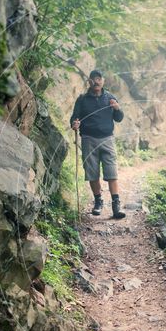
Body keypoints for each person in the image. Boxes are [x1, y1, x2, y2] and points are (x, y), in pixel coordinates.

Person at [70, 70, 126, 219]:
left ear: (103, 81)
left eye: (99, 78)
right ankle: (98, 202)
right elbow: (74, 118)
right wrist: (74, 124)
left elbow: (119, 118)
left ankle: (116, 205)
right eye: (93, 79)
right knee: (92, 172)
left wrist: (117, 108)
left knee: (111, 171)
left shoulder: (110, 98)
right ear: (89, 81)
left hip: (107, 139)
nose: (96, 81)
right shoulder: (82, 99)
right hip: (88, 139)